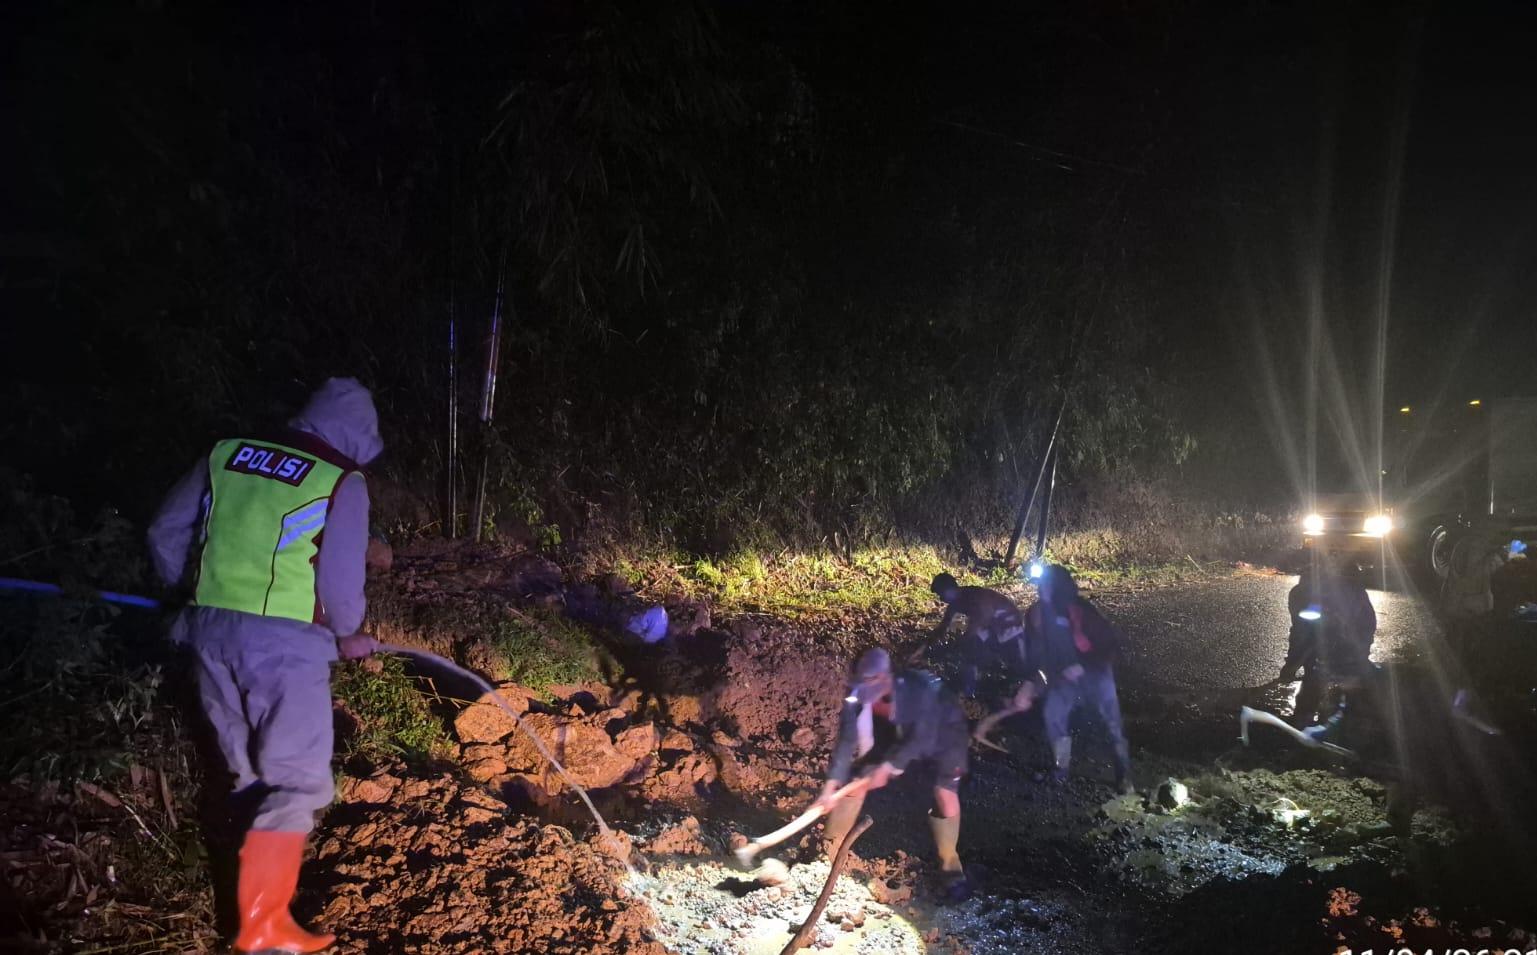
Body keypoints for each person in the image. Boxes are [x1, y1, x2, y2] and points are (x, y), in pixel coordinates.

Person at [147, 378, 383, 954]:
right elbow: (340, 582)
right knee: (297, 780)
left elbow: (163, 532)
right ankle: (264, 927)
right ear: (360, 435)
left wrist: (194, 596)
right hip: (284, 649)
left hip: (208, 635)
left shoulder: (227, 453)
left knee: (246, 772)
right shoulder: (341, 479)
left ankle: (248, 914)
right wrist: (348, 634)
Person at [816, 648, 971, 895]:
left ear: (886, 678)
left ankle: (951, 866)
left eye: (870, 685)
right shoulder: (856, 695)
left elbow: (922, 737)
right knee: (857, 779)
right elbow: (846, 740)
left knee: (945, 791)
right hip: (894, 732)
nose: (864, 692)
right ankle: (827, 852)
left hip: (945, 733)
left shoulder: (919, 690)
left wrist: (889, 766)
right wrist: (830, 786)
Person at [1020, 564, 1132, 792]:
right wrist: (1031, 681)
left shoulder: (1082, 611)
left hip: (1096, 674)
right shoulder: (1036, 615)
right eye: (1040, 586)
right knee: (1053, 715)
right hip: (1064, 680)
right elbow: (1036, 652)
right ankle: (1061, 770)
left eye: (1046, 585)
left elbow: (1110, 645)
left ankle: (1124, 775)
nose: (1041, 590)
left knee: (1111, 725)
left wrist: (1085, 665)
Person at [1282, 557, 1378, 727]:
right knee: (1314, 679)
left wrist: (1292, 665)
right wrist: (1292, 664)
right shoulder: (1301, 595)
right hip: (1330, 638)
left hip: (1352, 638)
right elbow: (1300, 633)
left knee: (1347, 680)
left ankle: (1343, 722)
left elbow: (1360, 629)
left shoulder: (1344, 595)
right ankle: (1307, 720)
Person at [927, 573, 1027, 697]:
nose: (941, 599)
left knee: (1019, 665)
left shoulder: (974, 595)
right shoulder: (956, 604)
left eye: (941, 594)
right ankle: (970, 688)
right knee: (970, 650)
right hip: (991, 629)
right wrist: (925, 647)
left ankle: (1026, 687)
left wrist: (966, 637)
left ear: (950, 589)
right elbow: (944, 627)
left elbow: (984, 616)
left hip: (1009, 625)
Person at [1442, 532, 1526, 654]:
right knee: (1465, 645)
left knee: (1458, 642)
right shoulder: (1478, 549)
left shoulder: (1469, 542)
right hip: (1467, 607)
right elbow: (1475, 579)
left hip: (1458, 604)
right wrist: (1504, 559)